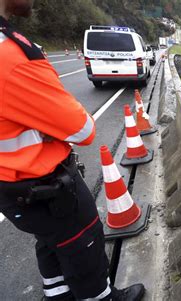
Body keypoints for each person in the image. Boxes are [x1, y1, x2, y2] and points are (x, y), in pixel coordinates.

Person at [0, 0, 145, 300]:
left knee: (50, 242)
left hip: (12, 189)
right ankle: (102, 297)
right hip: (45, 187)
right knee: (83, 242)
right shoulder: (11, 55)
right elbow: (83, 129)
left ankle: (57, 295)